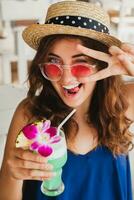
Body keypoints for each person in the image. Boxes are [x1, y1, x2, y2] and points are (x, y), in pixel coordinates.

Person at [0, 1, 134, 200]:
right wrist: (14, 175)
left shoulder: (124, 102)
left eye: (80, 64)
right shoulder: (30, 114)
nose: (66, 79)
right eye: (54, 63)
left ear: (101, 64)